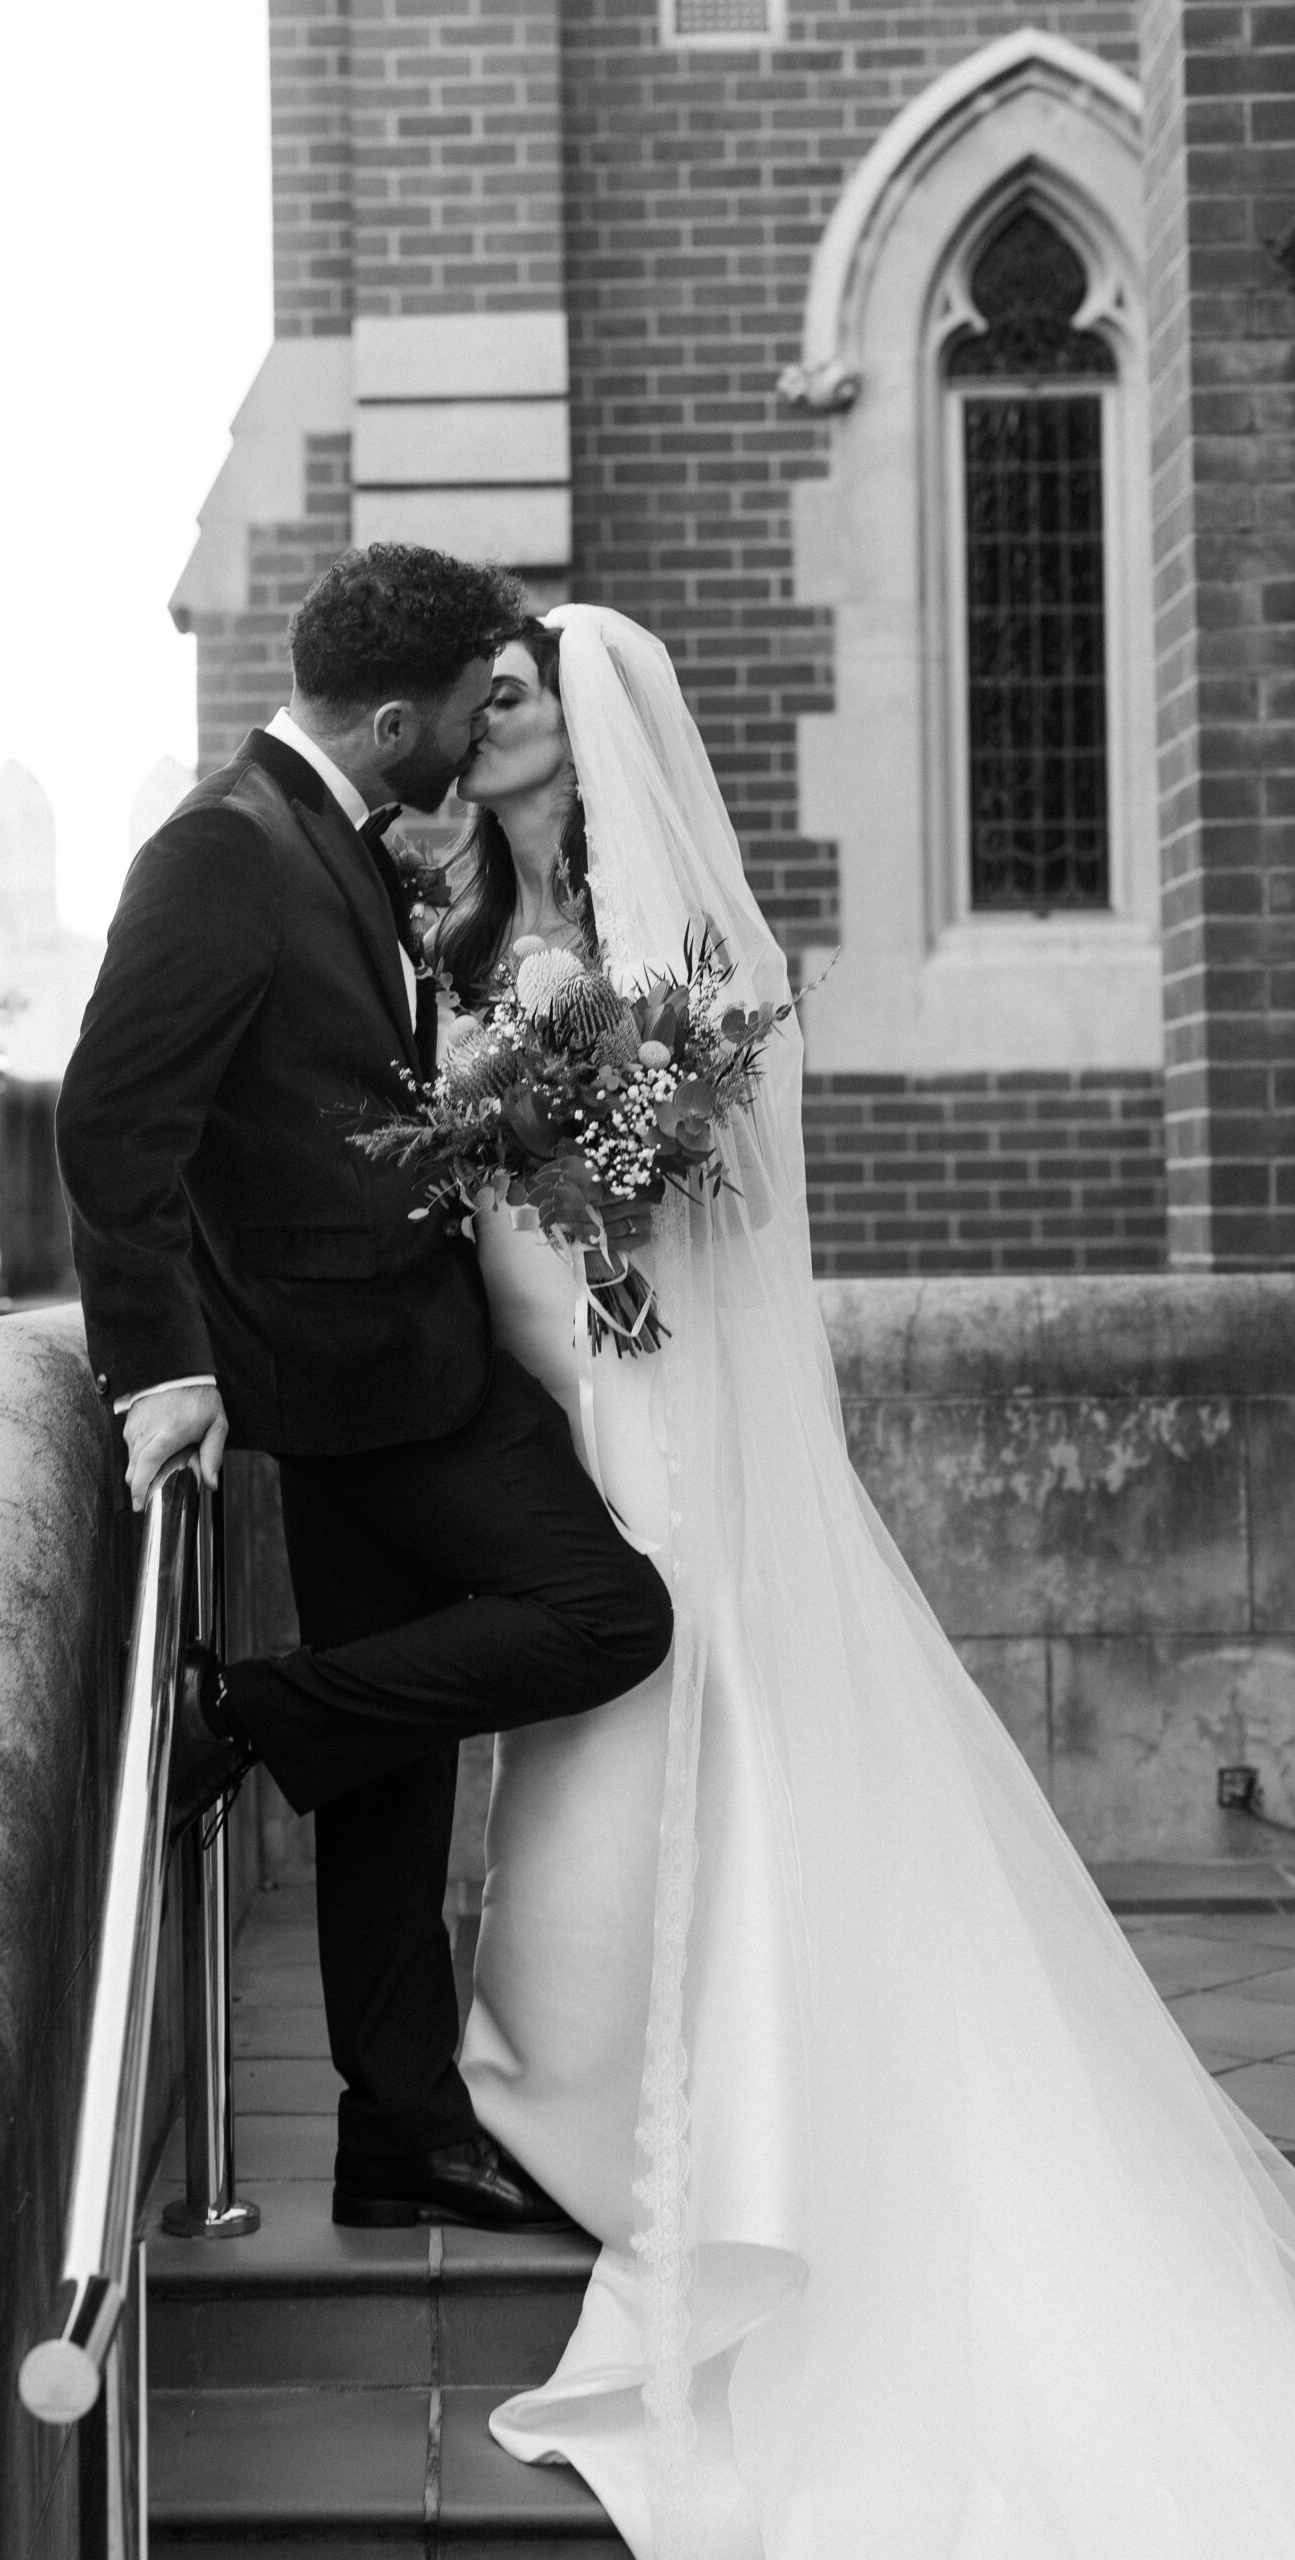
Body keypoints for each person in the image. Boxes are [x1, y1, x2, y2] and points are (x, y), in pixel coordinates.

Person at [440, 605, 1295, 2559]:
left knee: (665, 1796)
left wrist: (552, 1203)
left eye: (511, 698)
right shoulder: (528, 931)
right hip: (578, 1425)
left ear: (584, 729)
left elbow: (652, 1241)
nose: (485, 724)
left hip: (646, 1441)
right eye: (478, 697)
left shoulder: (649, 959)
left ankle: (711, 2164)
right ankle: (629, 2116)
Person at [54, 548, 671, 2237]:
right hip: (352, 1380)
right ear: (390, 714)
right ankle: (249, 1717)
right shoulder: (223, 851)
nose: (471, 742)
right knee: (609, 1612)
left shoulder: (329, 836)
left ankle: (396, 2127)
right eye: (463, 712)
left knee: (392, 1775)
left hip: (406, 1354)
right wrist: (167, 1365)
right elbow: (116, 1122)